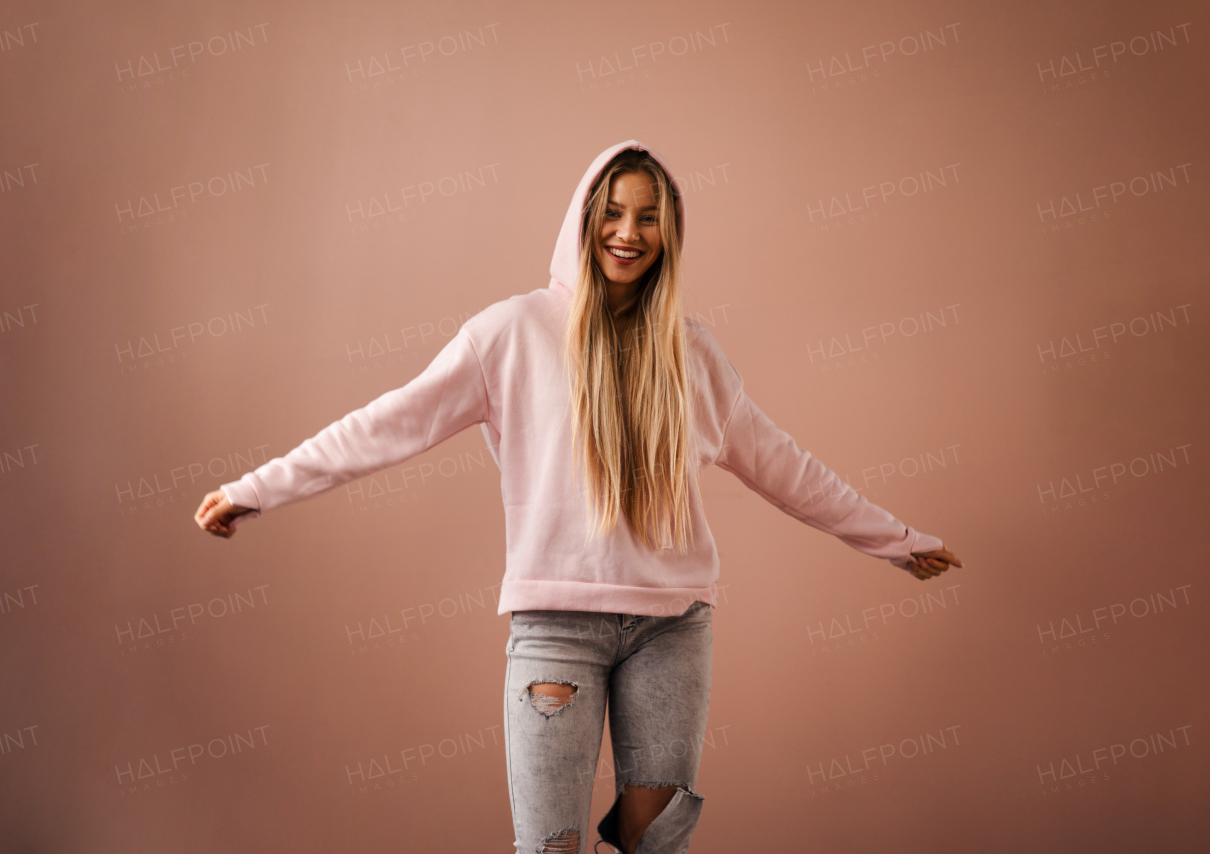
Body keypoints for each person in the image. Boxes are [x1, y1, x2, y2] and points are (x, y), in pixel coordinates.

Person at [194, 141, 962, 854]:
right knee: (549, 848)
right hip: (556, 629)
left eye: (649, 218)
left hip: (673, 630)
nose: (629, 233)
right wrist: (255, 489)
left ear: (670, 235)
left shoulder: (691, 353)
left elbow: (784, 466)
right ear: (586, 220)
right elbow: (388, 423)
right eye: (614, 213)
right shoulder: (511, 333)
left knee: (655, 841)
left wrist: (895, 541)